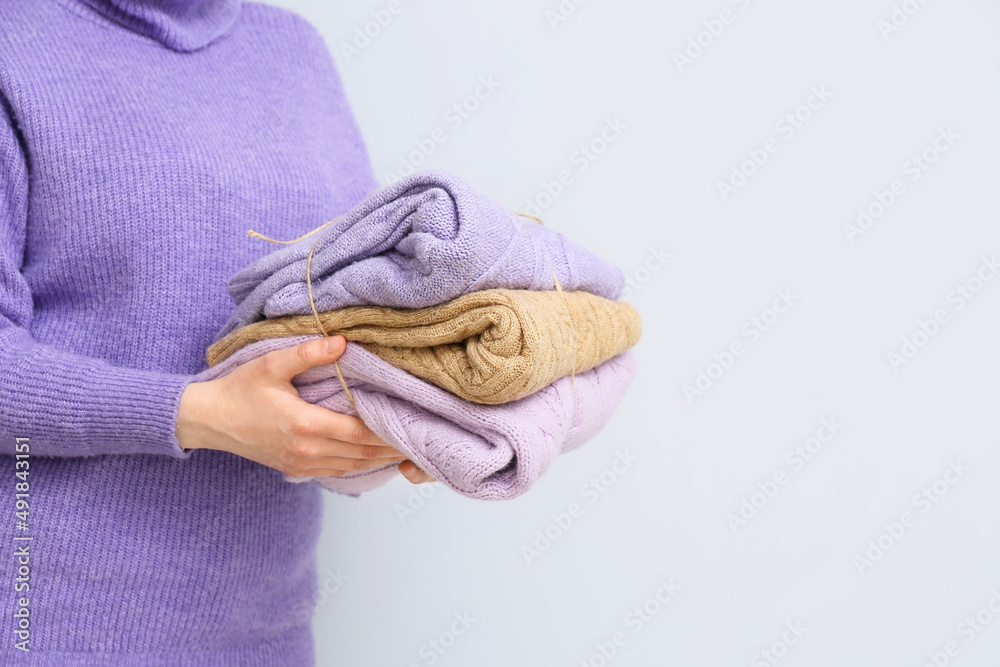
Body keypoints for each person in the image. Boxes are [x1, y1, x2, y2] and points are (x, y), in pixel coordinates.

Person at [0, 0, 430, 663]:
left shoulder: (294, 51)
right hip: (52, 634)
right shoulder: (16, 43)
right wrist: (194, 412)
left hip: (265, 637)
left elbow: (354, 304)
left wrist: (386, 424)